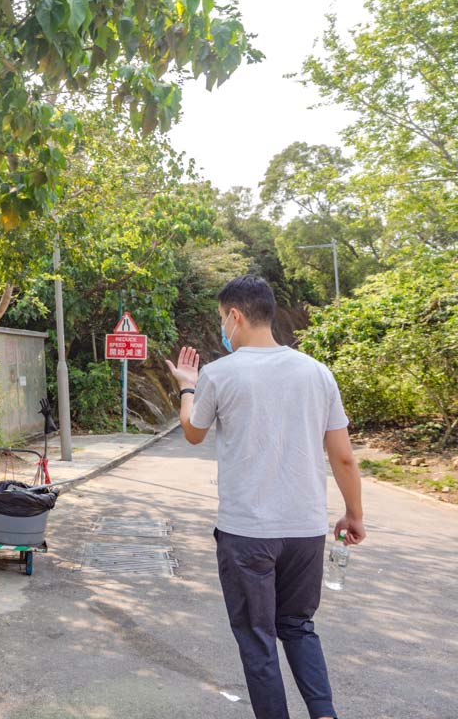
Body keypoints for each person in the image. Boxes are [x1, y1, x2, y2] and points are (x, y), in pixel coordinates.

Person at [164, 274, 365, 719]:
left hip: (247, 534)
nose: (222, 329)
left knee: (257, 638)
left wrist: (188, 384)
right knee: (298, 627)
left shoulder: (219, 375)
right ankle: (325, 714)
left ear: (234, 317)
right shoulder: (317, 372)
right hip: (306, 531)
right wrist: (354, 515)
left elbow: (193, 433)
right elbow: (344, 459)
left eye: (222, 319)